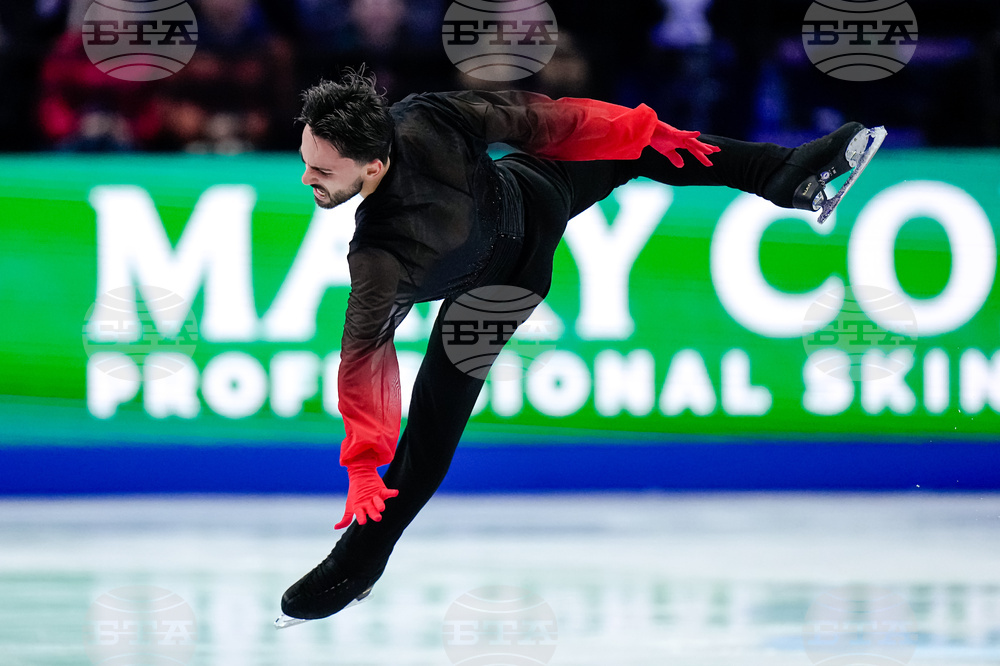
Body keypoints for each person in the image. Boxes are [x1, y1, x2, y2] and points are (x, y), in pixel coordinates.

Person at [278, 68, 878, 623]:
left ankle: (791, 173)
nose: (306, 178)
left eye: (322, 171)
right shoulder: (403, 182)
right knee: (432, 430)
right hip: (512, 254)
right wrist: (363, 463)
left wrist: (644, 128)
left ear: (374, 166)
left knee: (638, 146)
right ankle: (361, 559)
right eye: (308, 162)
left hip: (517, 237)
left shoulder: (399, 194)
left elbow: (545, 120)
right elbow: (365, 363)